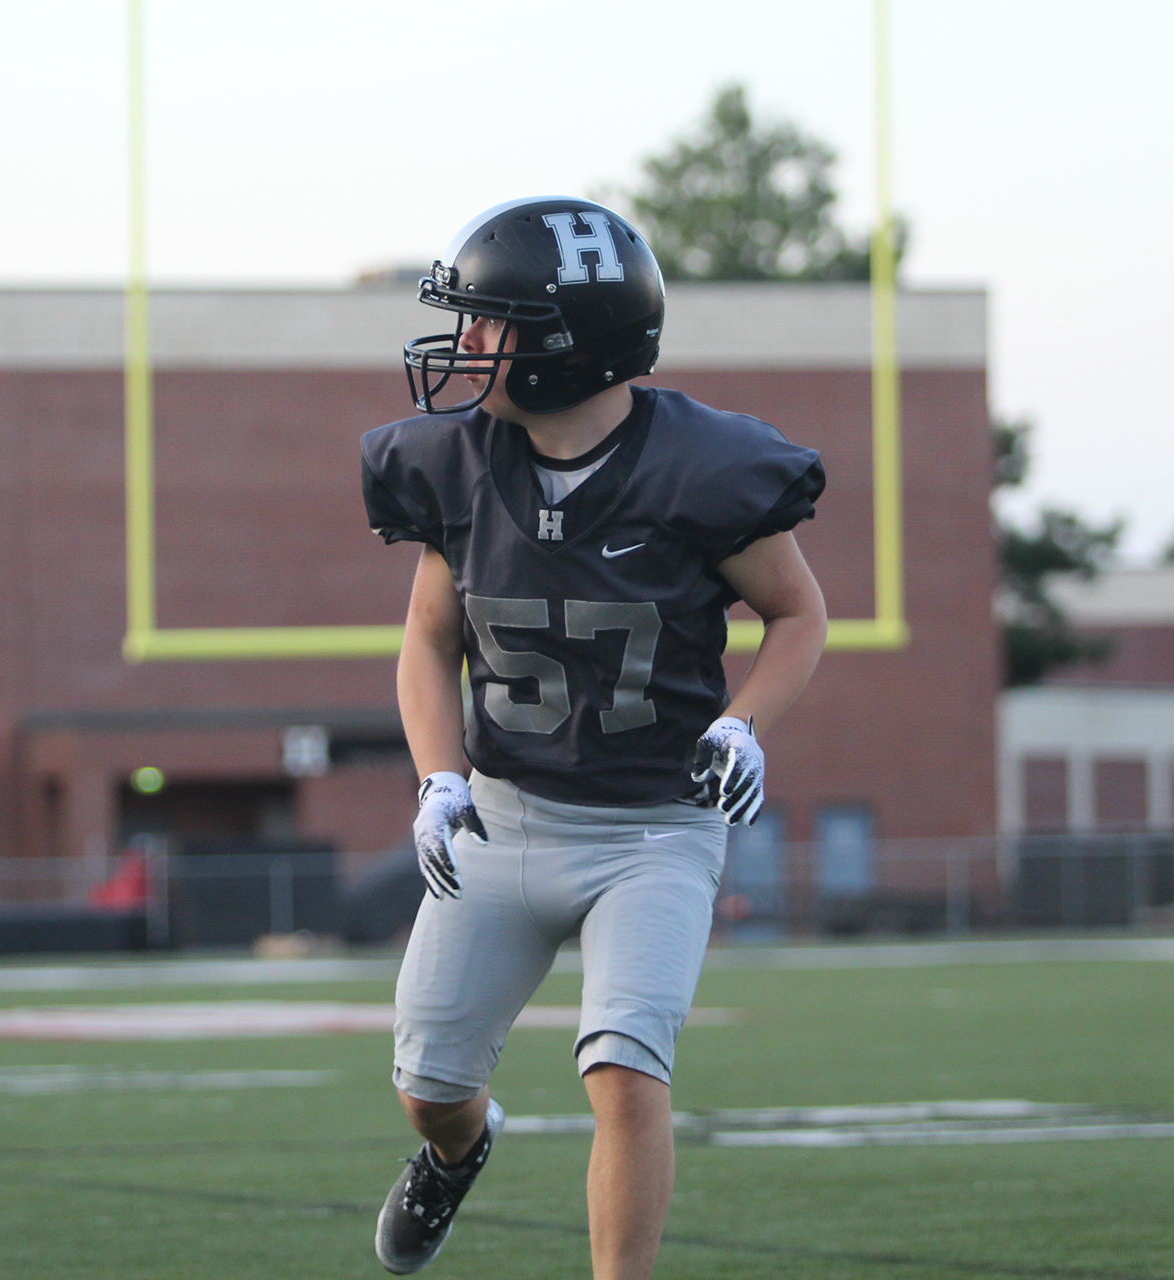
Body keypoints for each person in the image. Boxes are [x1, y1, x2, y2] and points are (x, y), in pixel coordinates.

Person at [360, 196, 829, 1279]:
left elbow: (798, 612)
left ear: (568, 345)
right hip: (503, 817)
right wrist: (438, 778)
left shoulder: (701, 468)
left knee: (624, 1068)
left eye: (493, 320)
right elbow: (429, 640)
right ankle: (458, 1151)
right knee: (429, 1085)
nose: (468, 341)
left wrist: (745, 723)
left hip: (654, 829)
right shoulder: (459, 466)